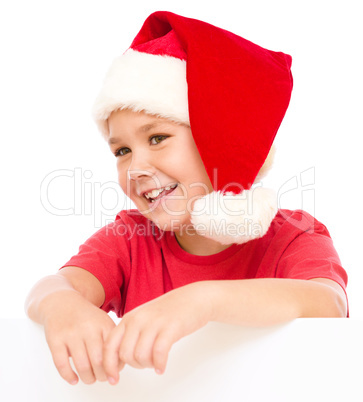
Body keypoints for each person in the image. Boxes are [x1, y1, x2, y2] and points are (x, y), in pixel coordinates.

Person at [25, 11, 348, 386]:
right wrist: (59, 304)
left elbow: (328, 304)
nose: (135, 168)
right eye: (122, 151)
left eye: (157, 138)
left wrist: (203, 301)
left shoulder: (294, 236)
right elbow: (53, 286)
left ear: (221, 141)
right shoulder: (130, 240)